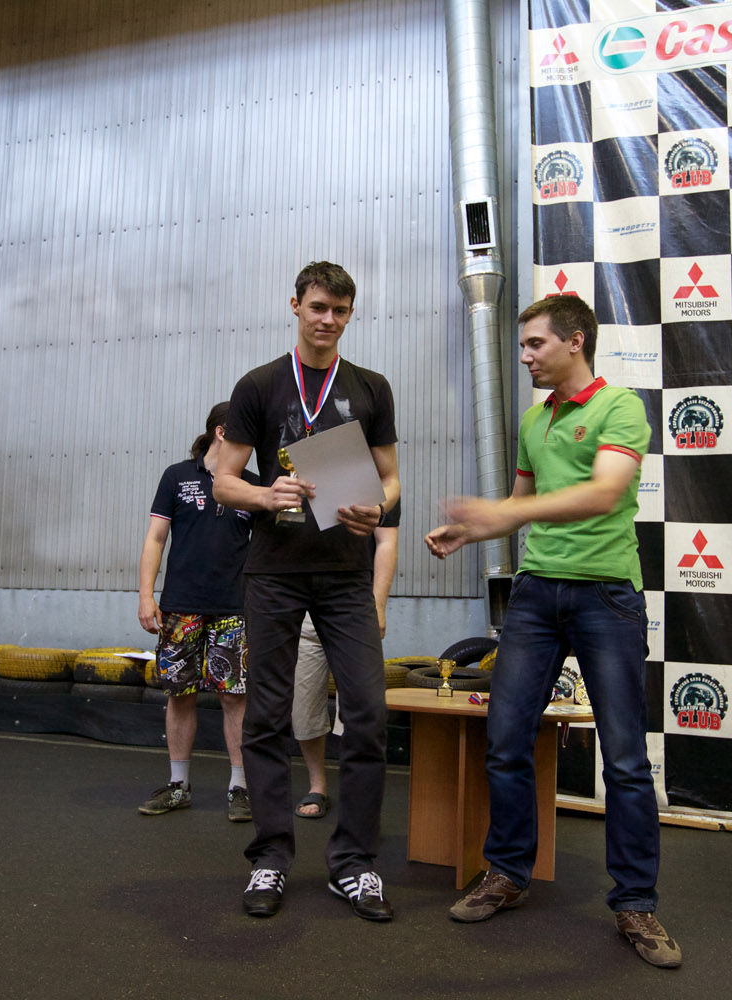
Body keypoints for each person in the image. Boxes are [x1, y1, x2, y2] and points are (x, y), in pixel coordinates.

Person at [424, 294, 680, 969]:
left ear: (575, 341)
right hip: (536, 593)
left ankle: (636, 903)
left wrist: (507, 513)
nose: (526, 356)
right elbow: (521, 502)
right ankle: (509, 872)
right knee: (506, 740)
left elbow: (602, 492)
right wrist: (471, 528)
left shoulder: (620, 407)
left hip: (606, 595)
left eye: (535, 343)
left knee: (625, 759)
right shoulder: (534, 420)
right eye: (523, 345)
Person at [212, 261, 400, 922]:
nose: (328, 320)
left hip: (346, 574)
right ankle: (269, 857)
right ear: (295, 305)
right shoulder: (260, 385)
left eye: (340, 311)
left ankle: (355, 864)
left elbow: (391, 479)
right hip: (274, 572)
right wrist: (267, 495)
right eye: (318, 307)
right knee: (266, 717)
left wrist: (379, 507)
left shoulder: (371, 387)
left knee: (368, 715)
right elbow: (223, 481)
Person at [137, 402, 259, 823]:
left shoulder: (252, 485)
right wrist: (146, 595)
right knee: (180, 693)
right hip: (180, 606)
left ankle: (240, 789)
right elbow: (155, 538)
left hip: (234, 607)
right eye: (244, 433)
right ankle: (178, 785)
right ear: (222, 432)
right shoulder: (177, 477)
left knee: (234, 697)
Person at [291, 512, 399, 820]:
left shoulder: (381, 487)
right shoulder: (296, 483)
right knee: (303, 708)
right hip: (300, 604)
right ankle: (317, 785)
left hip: (352, 604)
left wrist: (378, 606)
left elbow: (387, 541)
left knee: (361, 708)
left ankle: (356, 793)